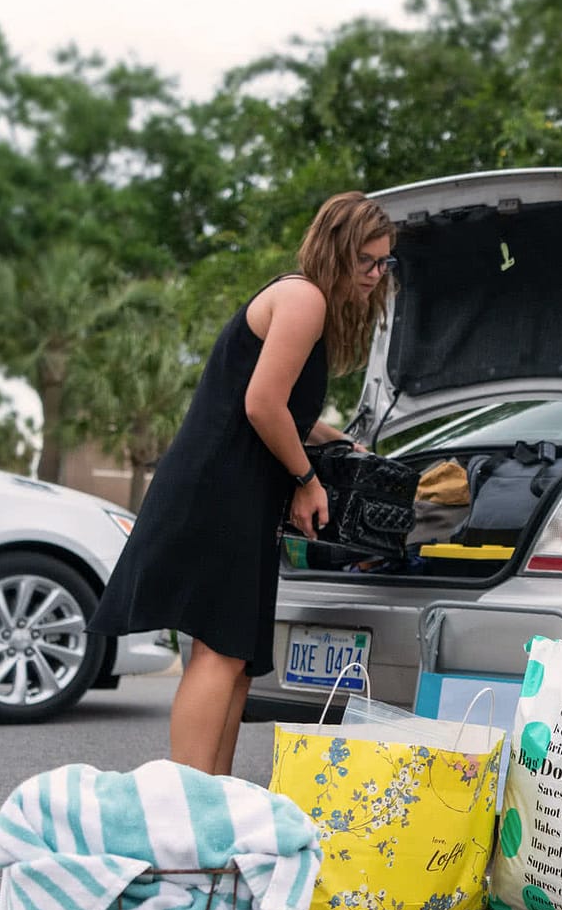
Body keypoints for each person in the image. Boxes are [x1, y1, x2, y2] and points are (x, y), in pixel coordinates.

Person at [90, 193, 396, 776]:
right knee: (218, 650)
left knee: (233, 657)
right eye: (368, 261)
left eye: (385, 264)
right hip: (219, 491)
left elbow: (283, 411)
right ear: (336, 252)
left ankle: (214, 806)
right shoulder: (303, 297)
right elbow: (261, 405)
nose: (377, 276)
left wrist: (339, 445)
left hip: (237, 493)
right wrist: (308, 480)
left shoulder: (307, 305)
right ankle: (185, 811)